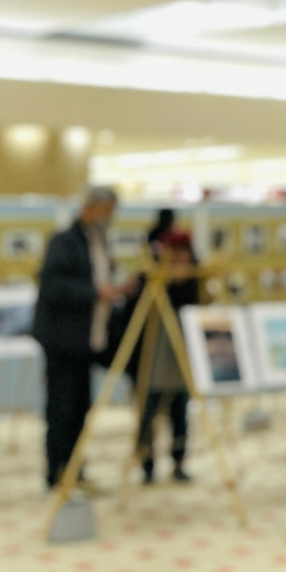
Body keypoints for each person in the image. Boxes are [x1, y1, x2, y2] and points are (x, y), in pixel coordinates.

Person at [33, 186, 121, 489]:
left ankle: (74, 469)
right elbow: (53, 286)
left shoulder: (97, 241)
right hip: (63, 341)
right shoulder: (64, 241)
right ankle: (57, 472)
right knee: (62, 409)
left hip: (87, 341)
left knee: (81, 408)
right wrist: (95, 292)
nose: (109, 217)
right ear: (91, 207)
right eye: (106, 211)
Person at [135, 226, 195, 484]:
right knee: (149, 412)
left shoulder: (194, 280)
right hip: (154, 353)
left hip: (181, 353)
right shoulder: (152, 279)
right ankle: (146, 463)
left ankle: (178, 461)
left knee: (179, 412)